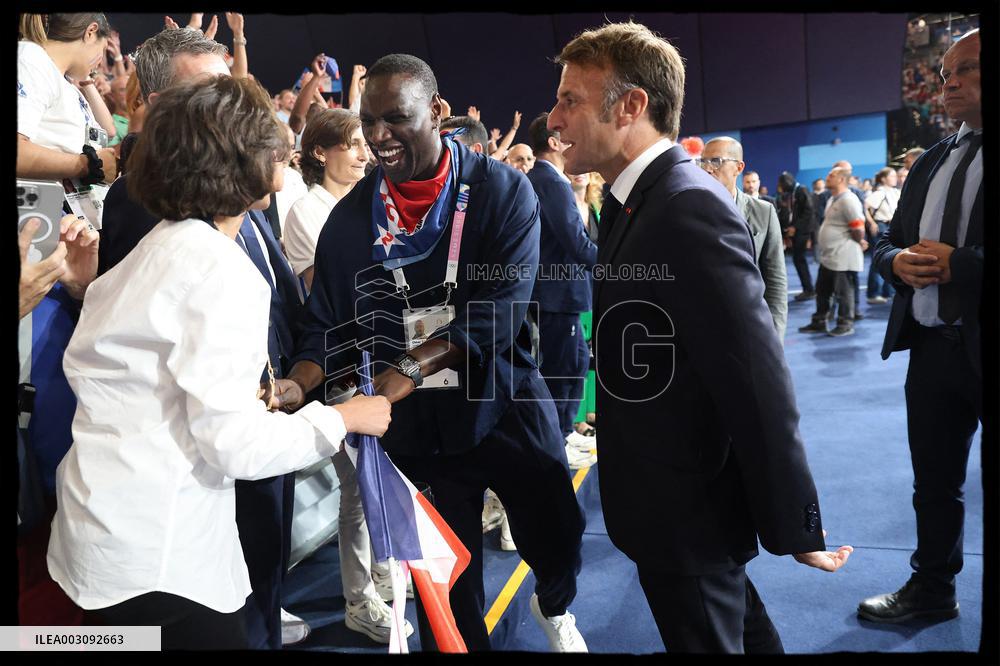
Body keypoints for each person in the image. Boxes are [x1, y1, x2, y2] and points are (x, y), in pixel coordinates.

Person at [46, 75, 391, 651]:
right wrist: (346, 418)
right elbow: (236, 445)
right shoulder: (218, 270)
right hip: (160, 555)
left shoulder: (165, 244)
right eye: (268, 136)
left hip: (106, 533)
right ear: (239, 158)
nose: (283, 144)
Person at [547, 21, 852, 654]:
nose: (554, 118)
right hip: (672, 507)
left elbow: (754, 376)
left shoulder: (685, 204)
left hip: (688, 513)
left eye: (570, 99)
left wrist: (797, 521)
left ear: (630, 105)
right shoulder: (637, 201)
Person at [278, 53, 588, 653]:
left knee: (558, 536)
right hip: (420, 429)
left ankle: (554, 604)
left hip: (502, 402)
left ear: (438, 113)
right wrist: (299, 381)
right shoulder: (350, 219)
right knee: (448, 579)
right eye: (369, 121)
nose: (378, 137)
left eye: (396, 119)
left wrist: (405, 372)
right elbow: (324, 323)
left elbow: (497, 311)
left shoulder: (501, 189)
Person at [860, 29, 982, 625]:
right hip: (932, 351)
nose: (951, 81)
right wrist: (894, 263)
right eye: (945, 73)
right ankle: (933, 588)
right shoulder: (931, 159)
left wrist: (963, 263)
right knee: (934, 486)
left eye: (969, 69)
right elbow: (887, 239)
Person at [16, 12, 116, 627]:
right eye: (101, 50)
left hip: (47, 235)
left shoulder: (53, 73)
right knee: (49, 425)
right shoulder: (31, 61)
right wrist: (85, 165)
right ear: (90, 33)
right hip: (35, 240)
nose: (102, 63)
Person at [97, 27, 231, 275]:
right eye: (209, 90)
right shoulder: (141, 195)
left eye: (230, 86)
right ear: (161, 104)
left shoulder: (245, 170)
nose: (232, 100)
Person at [526, 112, 598, 468]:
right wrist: (615, 266)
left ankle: (565, 435)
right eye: (566, 137)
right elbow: (575, 240)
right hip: (555, 294)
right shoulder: (550, 182)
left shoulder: (546, 180)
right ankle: (560, 440)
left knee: (572, 365)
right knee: (565, 370)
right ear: (553, 142)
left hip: (557, 293)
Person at [699, 137, 787, 339]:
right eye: (702, 162)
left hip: (752, 326)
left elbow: (775, 279)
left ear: (739, 168)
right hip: (705, 328)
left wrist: (775, 335)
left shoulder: (763, 212)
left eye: (716, 161)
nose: (707, 168)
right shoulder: (689, 210)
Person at [284, 108, 368, 292]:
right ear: (320, 152)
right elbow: (328, 292)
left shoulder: (372, 203)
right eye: (353, 144)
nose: (364, 156)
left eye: (365, 145)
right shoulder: (304, 212)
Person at [798, 167, 866, 337]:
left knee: (843, 292)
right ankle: (820, 321)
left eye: (832, 175)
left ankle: (845, 324)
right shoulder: (833, 199)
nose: (827, 177)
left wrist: (860, 241)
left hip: (843, 255)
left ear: (842, 179)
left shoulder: (849, 200)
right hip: (829, 256)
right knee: (822, 291)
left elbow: (858, 228)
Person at [775, 171, 816, 301]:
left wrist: (795, 227)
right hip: (798, 231)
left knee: (800, 260)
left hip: (802, 232)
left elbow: (809, 211)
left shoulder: (801, 190)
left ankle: (808, 289)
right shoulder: (793, 193)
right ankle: (808, 289)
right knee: (798, 260)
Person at [864, 166, 901, 304]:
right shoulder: (879, 192)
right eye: (891, 176)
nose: (894, 178)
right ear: (884, 178)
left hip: (892, 225)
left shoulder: (895, 192)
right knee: (878, 260)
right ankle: (873, 293)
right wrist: (871, 222)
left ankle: (888, 291)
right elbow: (865, 206)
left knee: (891, 258)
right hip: (882, 225)